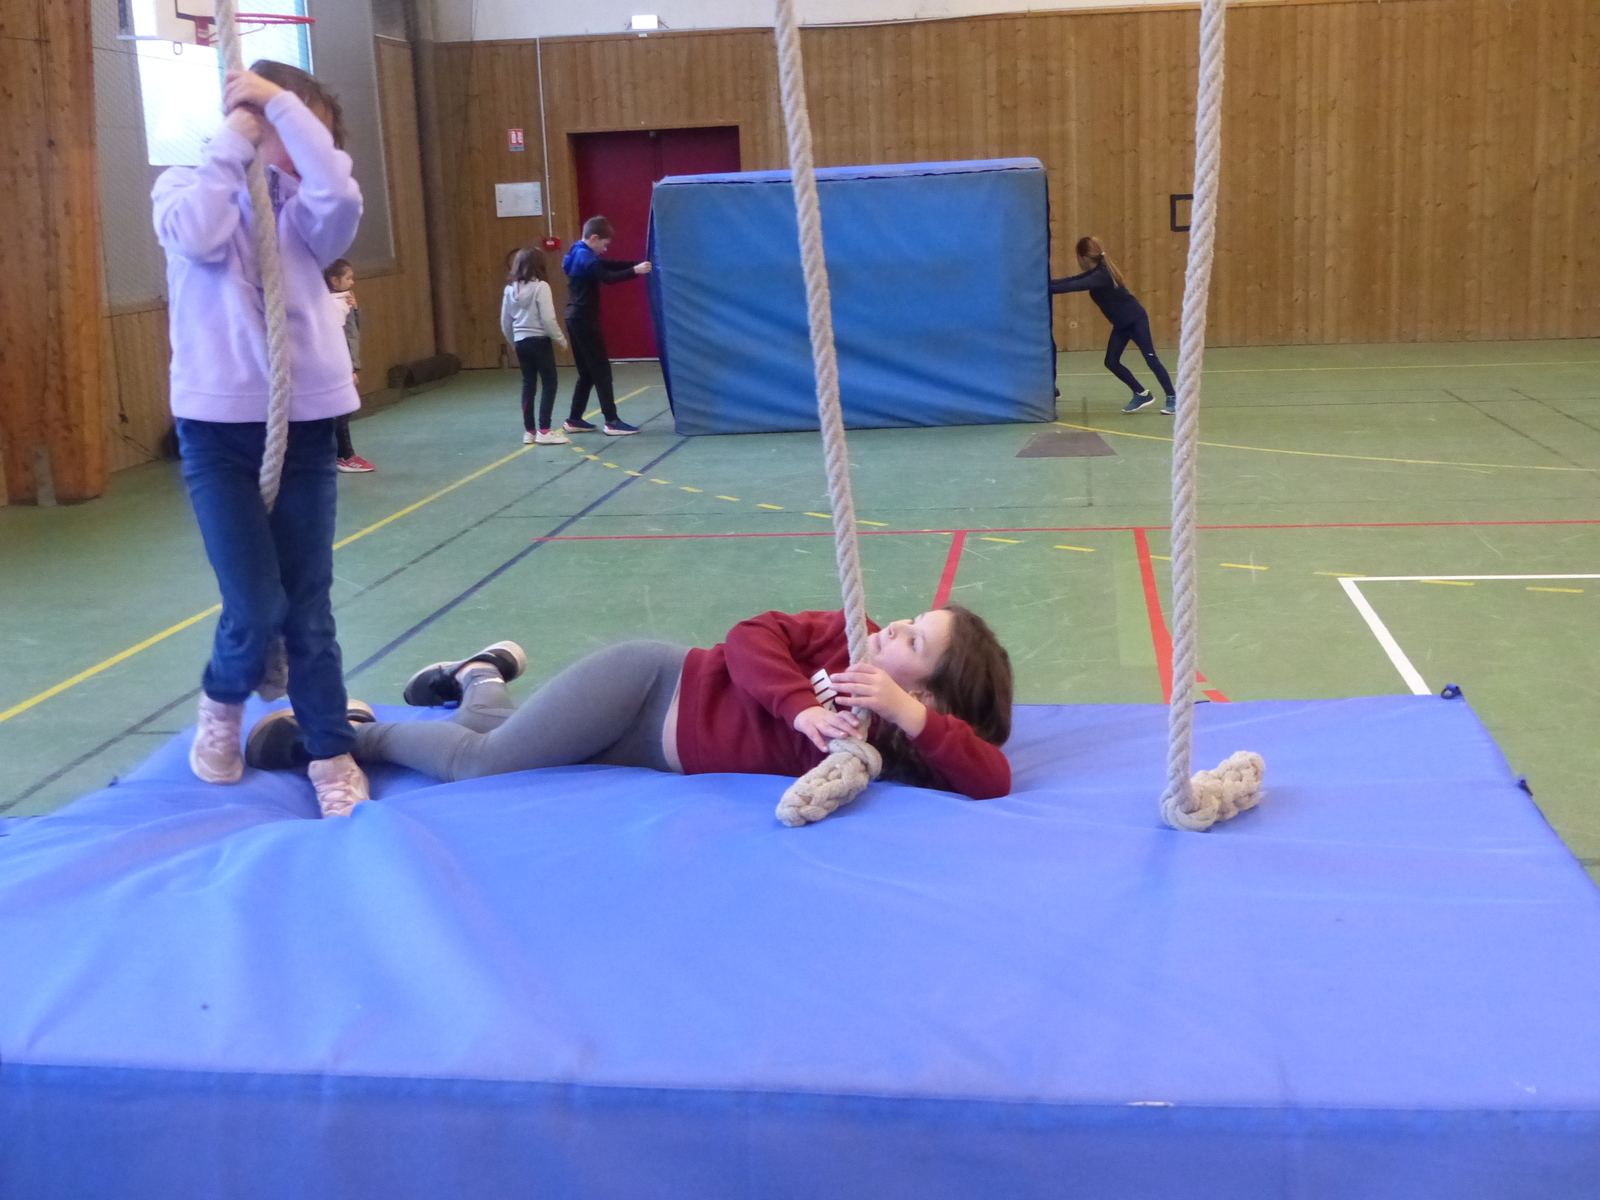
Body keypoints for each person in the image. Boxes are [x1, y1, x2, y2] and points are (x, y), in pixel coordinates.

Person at [152, 59, 369, 818]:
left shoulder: (308, 213)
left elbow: (340, 196)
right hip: (217, 434)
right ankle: (222, 699)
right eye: (286, 128)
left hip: (302, 429)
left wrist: (281, 105)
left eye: (311, 134)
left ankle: (330, 749)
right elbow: (199, 237)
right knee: (253, 602)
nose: (303, 148)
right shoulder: (184, 188)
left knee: (307, 607)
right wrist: (237, 138)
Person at [244, 606, 1015, 807]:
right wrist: (797, 708)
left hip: (649, 751)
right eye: (910, 621)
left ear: (925, 692)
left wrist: (909, 717)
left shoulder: (904, 739)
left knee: (508, 744)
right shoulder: (846, 635)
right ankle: (352, 734)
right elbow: (749, 638)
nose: (894, 628)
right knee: (483, 764)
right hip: (648, 687)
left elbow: (992, 778)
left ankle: (479, 676)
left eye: (913, 640)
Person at [1050, 236, 1177, 415]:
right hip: (1122, 324)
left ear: (1085, 257)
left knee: (1151, 359)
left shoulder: (1101, 276)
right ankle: (1141, 393)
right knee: (1111, 362)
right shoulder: (1097, 271)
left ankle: (1173, 398)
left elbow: (1075, 285)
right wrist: (1046, 283)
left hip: (1136, 320)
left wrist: (1046, 288)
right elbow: (1072, 280)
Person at [560, 215, 651, 436]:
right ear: (594, 238)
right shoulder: (585, 256)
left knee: (587, 373)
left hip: (574, 318)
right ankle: (612, 421)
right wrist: (635, 271)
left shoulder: (577, 251)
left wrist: (636, 264)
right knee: (601, 371)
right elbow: (607, 277)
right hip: (584, 320)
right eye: (604, 243)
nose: (605, 248)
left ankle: (574, 419)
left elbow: (608, 264)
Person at [500, 246, 570, 445]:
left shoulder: (509, 290)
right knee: (549, 382)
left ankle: (530, 431)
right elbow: (548, 319)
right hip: (539, 341)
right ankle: (545, 430)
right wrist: (561, 339)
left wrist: (513, 341)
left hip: (521, 342)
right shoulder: (541, 287)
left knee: (528, 383)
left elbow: (505, 321)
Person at [324, 258, 374, 472]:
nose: (352, 282)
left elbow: (354, 332)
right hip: (338, 366)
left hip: (344, 363)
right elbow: (336, 340)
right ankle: (344, 455)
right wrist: (348, 369)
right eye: (348, 278)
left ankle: (337, 454)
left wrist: (354, 309)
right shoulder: (332, 304)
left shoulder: (342, 301)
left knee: (341, 411)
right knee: (341, 411)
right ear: (335, 281)